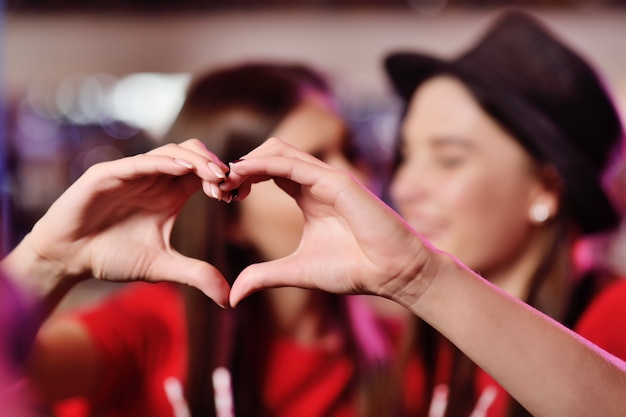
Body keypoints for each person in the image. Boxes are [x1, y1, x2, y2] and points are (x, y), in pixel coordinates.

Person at [6, 62, 407, 417]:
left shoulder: (401, 351)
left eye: (352, 151)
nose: (352, 180)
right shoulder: (146, 329)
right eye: (308, 164)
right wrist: (47, 261)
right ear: (229, 209)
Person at [371, 9, 626, 417]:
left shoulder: (614, 319)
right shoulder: (426, 339)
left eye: (449, 159)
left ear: (545, 188)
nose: (405, 186)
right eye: (405, 156)